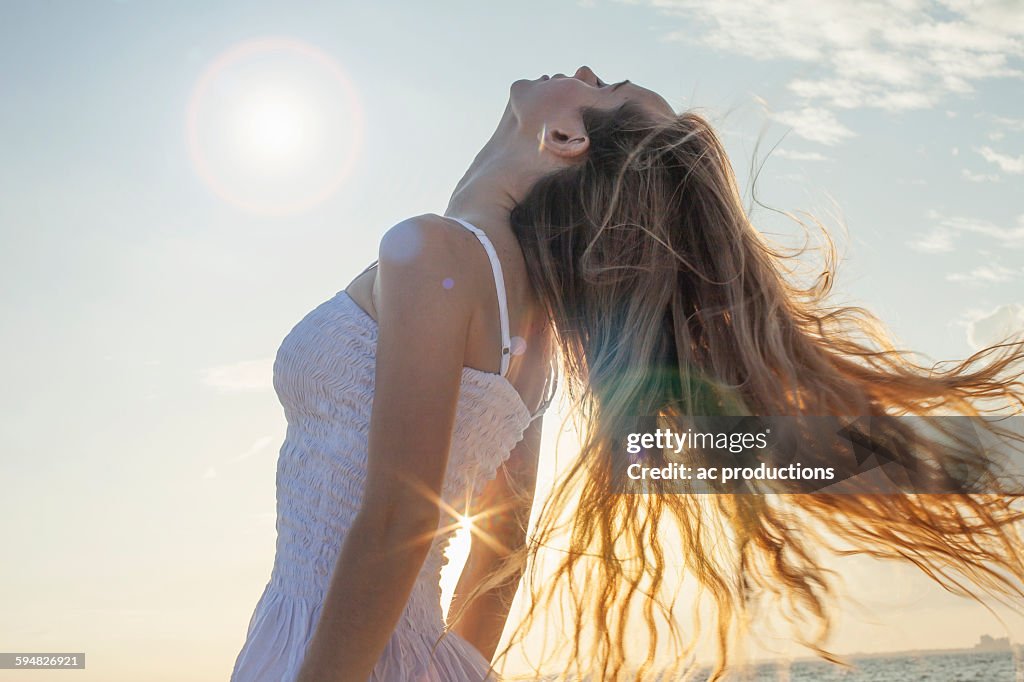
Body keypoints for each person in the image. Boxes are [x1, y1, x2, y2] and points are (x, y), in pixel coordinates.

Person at [232, 65, 1024, 681]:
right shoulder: (535, 325)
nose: (581, 68)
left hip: (323, 651)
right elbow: (501, 545)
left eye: (601, 87)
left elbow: (401, 520)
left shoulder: (434, 251)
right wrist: (451, 668)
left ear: (568, 142)